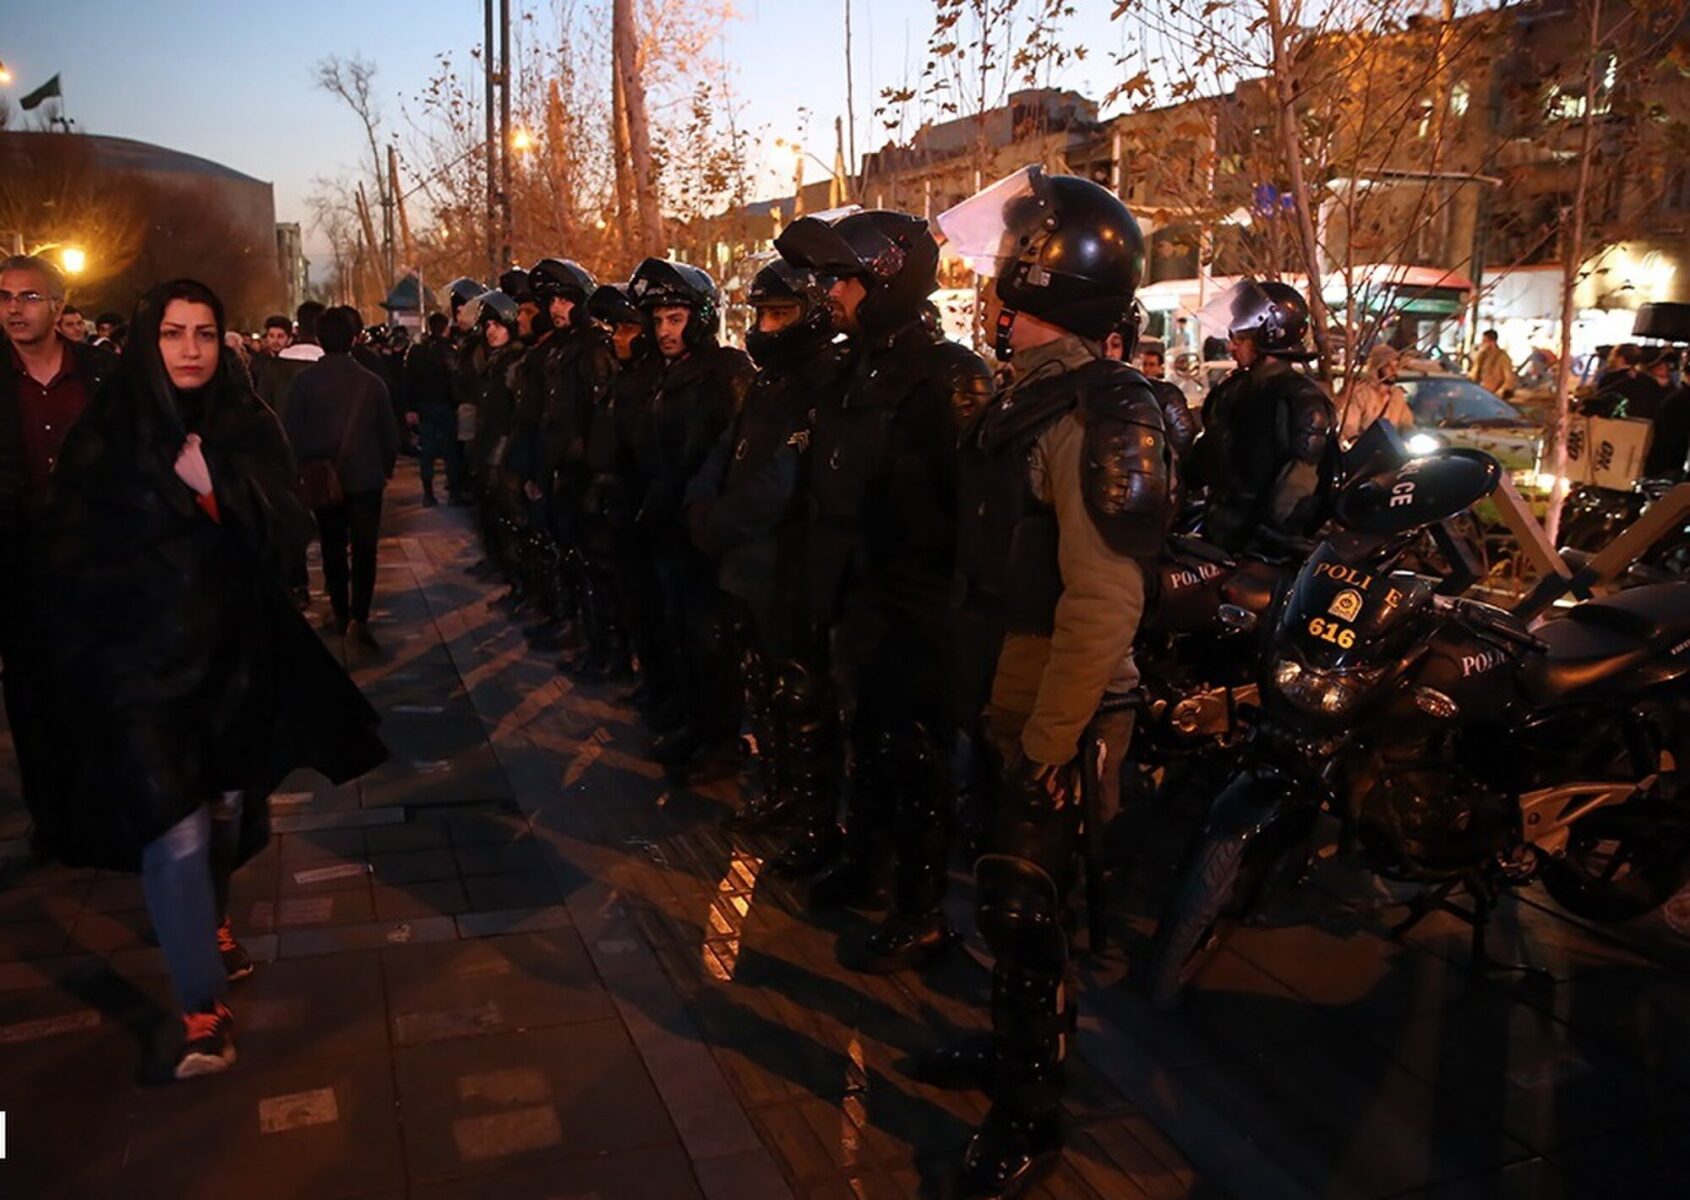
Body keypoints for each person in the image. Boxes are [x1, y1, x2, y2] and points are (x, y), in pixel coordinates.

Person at [33, 278, 385, 1081]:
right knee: (175, 824)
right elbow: (68, 542)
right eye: (172, 333)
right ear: (148, 342)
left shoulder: (244, 418)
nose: (189, 349)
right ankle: (201, 1010)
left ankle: (212, 920)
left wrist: (214, 490)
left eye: (203, 332)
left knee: (224, 809)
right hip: (136, 667)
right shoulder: (109, 429)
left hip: (228, 656)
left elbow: (288, 524)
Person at [916, 169, 1173, 1195]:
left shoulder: (1093, 414)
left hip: (1053, 711)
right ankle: (1009, 1055)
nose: (987, 297)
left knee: (1031, 912)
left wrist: (1047, 742)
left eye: (1002, 280)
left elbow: (1104, 603)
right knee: (1003, 903)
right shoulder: (1030, 397)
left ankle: (1031, 1112)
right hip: (1005, 689)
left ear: (1039, 287)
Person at [774, 209, 992, 972]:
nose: (829, 293)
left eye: (842, 278)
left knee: (915, 757)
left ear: (888, 278)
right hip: (855, 594)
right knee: (861, 736)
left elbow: (973, 512)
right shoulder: (845, 366)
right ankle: (863, 864)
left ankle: (922, 907)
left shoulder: (949, 375)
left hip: (917, 605)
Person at [687, 261, 850, 850]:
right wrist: (701, 504)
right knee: (763, 687)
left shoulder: (825, 380)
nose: (767, 325)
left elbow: (784, 477)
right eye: (761, 313)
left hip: (789, 567)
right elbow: (727, 452)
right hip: (747, 568)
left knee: (802, 695)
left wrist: (719, 520)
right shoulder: (767, 382)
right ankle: (781, 792)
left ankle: (814, 815)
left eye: (780, 313)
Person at [0, 254, 118, 836]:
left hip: (97, 558)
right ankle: (52, 814)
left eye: (28, 297)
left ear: (58, 306)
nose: (14, 310)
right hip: (21, 561)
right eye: (5, 298)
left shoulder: (99, 374)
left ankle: (107, 800)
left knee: (101, 683)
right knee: (31, 692)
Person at [628, 258, 755, 782]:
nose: (664, 331)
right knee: (680, 630)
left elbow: (736, 455)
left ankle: (721, 740)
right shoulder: (666, 375)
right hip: (670, 526)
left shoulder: (727, 372)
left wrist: (711, 516)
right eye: (658, 320)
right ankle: (695, 725)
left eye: (675, 319)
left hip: (705, 532)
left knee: (712, 640)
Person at [282, 306, 400, 651]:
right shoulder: (371, 383)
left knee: (332, 547)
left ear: (319, 340)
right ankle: (360, 619)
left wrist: (302, 469)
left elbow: (291, 433)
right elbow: (389, 435)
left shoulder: (302, 383)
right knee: (365, 550)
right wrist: (385, 468)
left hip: (322, 479)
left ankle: (339, 611)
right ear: (354, 338)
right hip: (365, 478)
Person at [1189, 280, 1336, 553]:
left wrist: (1263, 541)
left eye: (1240, 339)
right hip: (1217, 534)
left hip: (1262, 552)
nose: (1232, 347)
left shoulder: (1301, 402)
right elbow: (1207, 455)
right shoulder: (1233, 389)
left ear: (1271, 335)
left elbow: (1296, 488)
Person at [407, 311, 465, 506]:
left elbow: (409, 380)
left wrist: (411, 407)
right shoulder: (448, 349)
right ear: (445, 328)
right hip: (445, 405)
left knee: (428, 450)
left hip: (424, 405)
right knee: (450, 451)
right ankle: (454, 493)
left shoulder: (417, 351)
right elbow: (455, 376)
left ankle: (428, 493)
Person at [1339, 343, 1415, 445]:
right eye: (1388, 366)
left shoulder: (1397, 396)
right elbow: (1349, 426)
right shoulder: (1360, 393)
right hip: (1365, 449)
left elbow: (1406, 423)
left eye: (1396, 365)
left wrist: (1412, 435)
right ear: (1377, 366)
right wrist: (1357, 443)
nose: (1393, 370)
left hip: (1391, 450)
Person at [1471, 328, 1517, 397]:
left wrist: (1499, 392)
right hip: (1480, 392)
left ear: (1492, 342)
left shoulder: (1502, 357)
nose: (1482, 343)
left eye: (1484, 341)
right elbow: (1474, 373)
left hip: (1493, 395)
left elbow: (1509, 378)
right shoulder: (1482, 356)